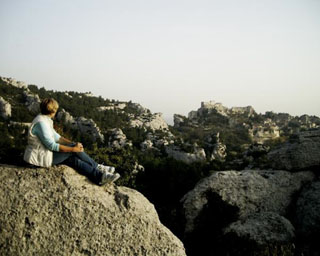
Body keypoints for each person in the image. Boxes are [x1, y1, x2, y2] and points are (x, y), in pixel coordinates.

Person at [24, 98, 120, 186]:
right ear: (52, 111)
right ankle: (97, 167)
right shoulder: (41, 123)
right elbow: (51, 145)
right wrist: (73, 148)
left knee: (74, 161)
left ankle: (99, 177)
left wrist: (73, 143)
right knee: (72, 152)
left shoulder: (45, 119)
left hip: (45, 154)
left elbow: (57, 137)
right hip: (39, 159)